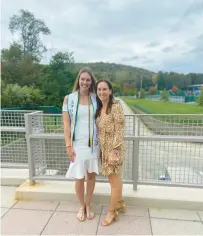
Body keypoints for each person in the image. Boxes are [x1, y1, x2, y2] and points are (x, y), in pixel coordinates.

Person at [62, 67, 99, 222]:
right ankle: (81, 205)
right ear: (78, 80)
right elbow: (66, 125)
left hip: (93, 144)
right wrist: (68, 146)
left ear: (91, 82)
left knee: (90, 176)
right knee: (79, 176)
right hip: (77, 145)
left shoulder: (96, 98)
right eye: (82, 79)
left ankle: (88, 205)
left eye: (88, 80)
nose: (85, 82)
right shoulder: (69, 99)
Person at [95, 80, 126, 226]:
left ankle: (111, 212)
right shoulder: (100, 107)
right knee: (115, 179)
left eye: (104, 89)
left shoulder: (116, 106)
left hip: (114, 150)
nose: (101, 92)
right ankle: (119, 203)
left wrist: (114, 151)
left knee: (113, 182)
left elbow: (120, 130)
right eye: (99, 89)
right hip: (104, 150)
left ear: (110, 91)